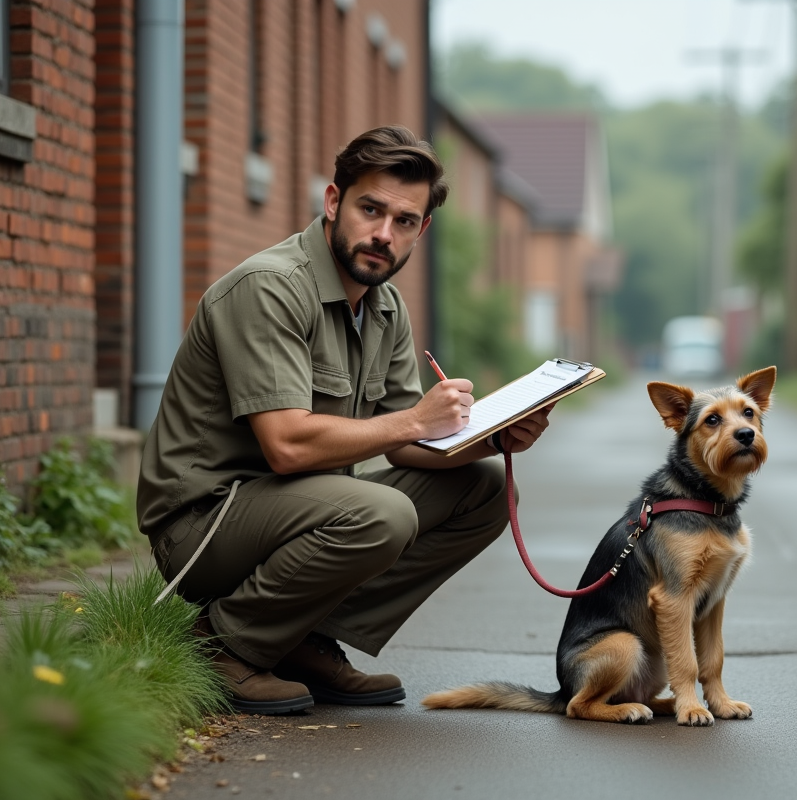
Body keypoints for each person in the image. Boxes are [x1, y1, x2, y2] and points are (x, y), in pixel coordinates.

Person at [137, 125, 552, 714]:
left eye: (404, 221)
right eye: (370, 209)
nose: (383, 234)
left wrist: (493, 438)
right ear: (334, 203)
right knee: (381, 513)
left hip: (293, 510)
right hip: (204, 525)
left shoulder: (384, 305)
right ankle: (224, 644)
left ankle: (296, 639)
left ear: (421, 231)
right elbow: (286, 446)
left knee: (483, 491)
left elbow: (411, 445)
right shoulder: (271, 287)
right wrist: (415, 420)